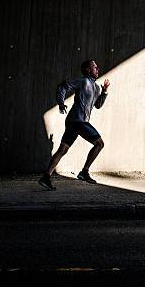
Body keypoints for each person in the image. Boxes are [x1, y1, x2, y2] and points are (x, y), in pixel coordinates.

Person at [39, 60, 110, 190]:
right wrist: (61, 102)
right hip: (78, 121)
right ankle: (84, 172)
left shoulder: (96, 87)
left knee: (63, 149)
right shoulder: (83, 81)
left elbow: (98, 105)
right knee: (99, 144)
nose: (97, 69)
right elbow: (62, 86)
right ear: (88, 70)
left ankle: (46, 178)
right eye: (94, 67)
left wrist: (104, 92)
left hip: (75, 122)